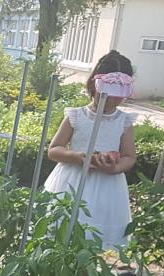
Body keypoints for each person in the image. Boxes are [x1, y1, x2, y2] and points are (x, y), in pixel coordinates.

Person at [44, 51, 137, 251]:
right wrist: (76, 156)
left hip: (107, 188)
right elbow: (53, 150)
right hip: (71, 182)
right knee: (63, 232)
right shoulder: (77, 116)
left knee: (95, 241)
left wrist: (115, 166)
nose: (112, 101)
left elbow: (130, 156)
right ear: (94, 86)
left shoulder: (124, 122)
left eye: (118, 97)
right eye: (106, 95)